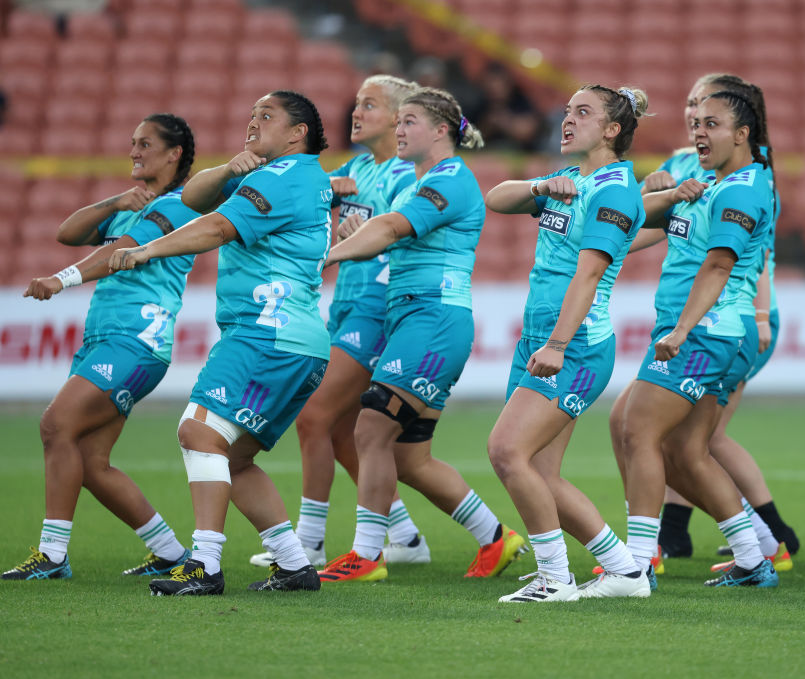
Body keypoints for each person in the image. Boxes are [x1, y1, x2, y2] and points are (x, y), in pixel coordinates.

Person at [109, 91, 333, 595]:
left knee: (198, 433)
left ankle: (204, 564)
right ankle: (295, 565)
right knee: (234, 458)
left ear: (298, 133)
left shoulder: (282, 175)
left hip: (266, 333)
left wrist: (148, 250)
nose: (253, 122)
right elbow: (193, 196)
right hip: (296, 341)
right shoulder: (288, 176)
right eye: (251, 113)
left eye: (267, 116)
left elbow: (214, 225)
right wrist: (233, 167)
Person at [316, 87, 528, 584]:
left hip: (432, 320)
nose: (400, 129)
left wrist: (328, 256)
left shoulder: (451, 179)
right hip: (414, 321)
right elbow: (383, 231)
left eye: (410, 121)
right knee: (409, 457)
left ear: (440, 130)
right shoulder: (416, 183)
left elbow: (390, 229)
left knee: (368, 429)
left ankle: (367, 555)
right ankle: (496, 538)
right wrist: (350, 237)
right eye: (400, 121)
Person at [610, 74, 798, 571]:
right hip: (701, 329)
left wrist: (681, 329)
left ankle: (638, 560)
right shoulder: (712, 182)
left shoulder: (743, 188)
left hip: (705, 330)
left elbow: (720, 266)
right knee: (688, 452)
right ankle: (757, 552)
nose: (698, 127)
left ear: (742, 133)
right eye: (695, 117)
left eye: (711, 121)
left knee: (638, 431)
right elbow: (652, 230)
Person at [2, 114, 197, 581]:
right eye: (132, 142)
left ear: (174, 154)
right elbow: (68, 233)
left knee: (55, 424)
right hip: (104, 340)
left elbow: (117, 252)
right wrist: (116, 199)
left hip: (137, 341)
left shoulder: (179, 205)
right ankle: (170, 552)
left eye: (145, 143)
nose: (134, 150)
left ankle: (52, 556)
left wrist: (61, 279)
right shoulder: (131, 205)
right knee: (89, 461)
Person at [248, 75, 427, 570]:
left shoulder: (408, 174)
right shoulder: (355, 168)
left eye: (369, 105)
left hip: (379, 308)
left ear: (398, 118)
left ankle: (308, 542)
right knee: (343, 429)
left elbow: (402, 229)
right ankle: (407, 537)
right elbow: (300, 195)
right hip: (346, 307)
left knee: (314, 415)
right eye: (356, 104)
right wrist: (324, 187)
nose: (356, 112)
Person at [485, 84, 648, 603]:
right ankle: (625, 571)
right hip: (541, 339)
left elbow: (589, 275)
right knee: (538, 471)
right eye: (567, 111)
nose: (567, 120)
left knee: (507, 451)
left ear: (612, 129)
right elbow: (497, 198)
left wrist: (556, 344)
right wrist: (540, 187)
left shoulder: (614, 191)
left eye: (583, 113)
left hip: (572, 348)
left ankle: (555, 578)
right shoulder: (572, 180)